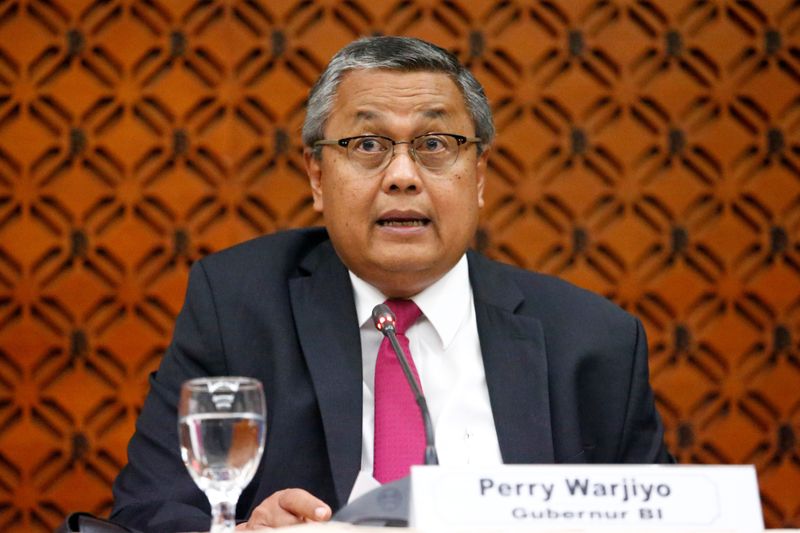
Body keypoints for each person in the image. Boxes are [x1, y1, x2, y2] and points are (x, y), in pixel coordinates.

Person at [109, 36, 672, 532]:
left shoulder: (595, 344)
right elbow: (145, 513)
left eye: (434, 144)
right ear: (317, 176)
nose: (403, 176)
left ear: (477, 176)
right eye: (368, 146)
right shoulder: (236, 308)